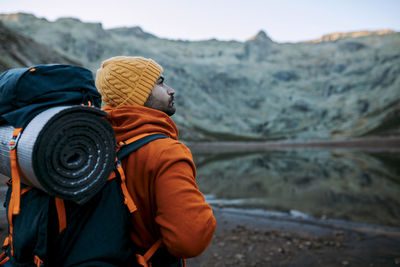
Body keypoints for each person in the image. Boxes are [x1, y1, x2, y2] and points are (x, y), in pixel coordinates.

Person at [95, 56, 216, 266]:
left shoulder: (94, 144)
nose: (171, 90)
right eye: (160, 83)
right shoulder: (166, 152)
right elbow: (190, 242)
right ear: (138, 94)